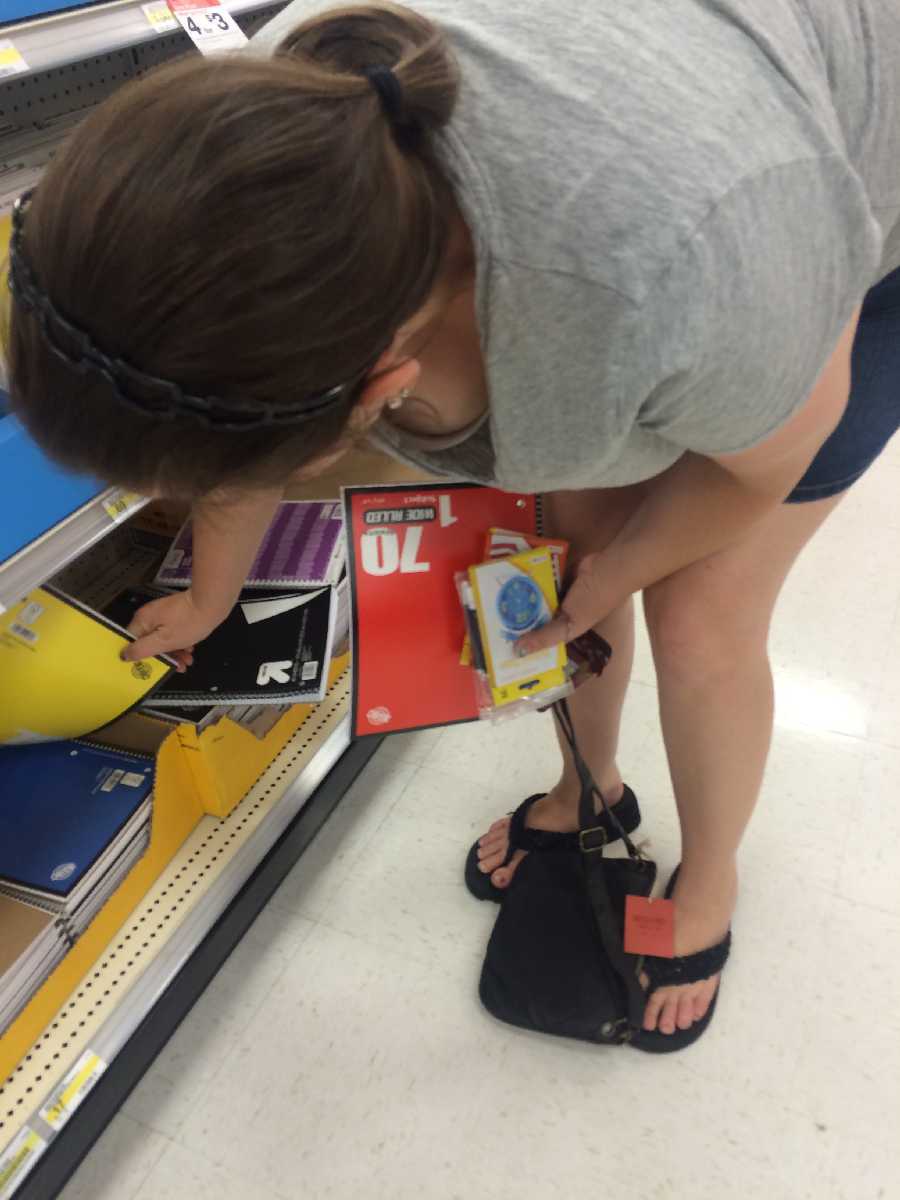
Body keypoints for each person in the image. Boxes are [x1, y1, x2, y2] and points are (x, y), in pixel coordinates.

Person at [5, 0, 900, 1047]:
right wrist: (212, 591)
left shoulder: (673, 265)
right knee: (565, 540)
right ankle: (588, 791)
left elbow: (761, 467)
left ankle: (711, 876)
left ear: (376, 387)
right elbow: (223, 399)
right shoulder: (257, 147)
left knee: (702, 612)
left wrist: (619, 573)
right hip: (665, 179)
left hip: (837, 230)